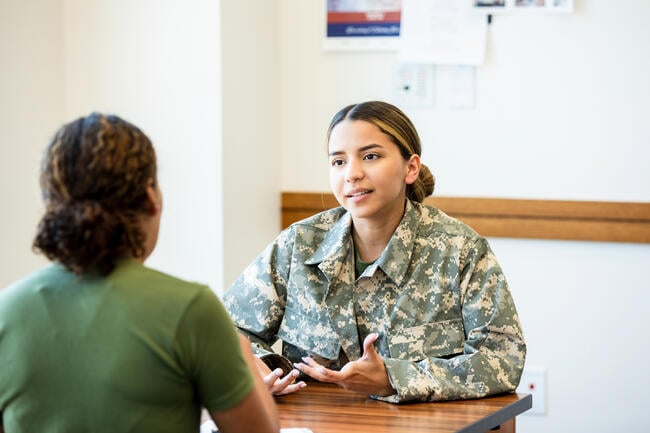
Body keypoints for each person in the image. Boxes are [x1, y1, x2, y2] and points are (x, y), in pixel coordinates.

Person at [223, 100, 526, 403]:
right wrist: (263, 369)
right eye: (338, 162)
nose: (351, 174)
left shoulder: (460, 250)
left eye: (370, 156)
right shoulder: (299, 245)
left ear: (411, 168)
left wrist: (393, 379)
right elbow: (226, 329)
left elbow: (503, 358)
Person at [0, 113, 280, 433]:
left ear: (51, 205)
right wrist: (240, 351)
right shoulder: (192, 309)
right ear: (151, 198)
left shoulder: (6, 312)